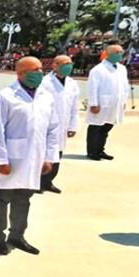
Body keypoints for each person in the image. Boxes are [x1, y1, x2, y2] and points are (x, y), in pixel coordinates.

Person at [0, 57, 60, 255]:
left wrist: (49, 157)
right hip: (11, 158)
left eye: (40, 69)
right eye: (33, 70)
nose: (39, 73)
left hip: (35, 158)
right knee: (2, 198)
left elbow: (53, 128)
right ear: (20, 73)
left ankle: (17, 236)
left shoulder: (46, 96)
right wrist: (2, 160)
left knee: (24, 199)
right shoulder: (5, 96)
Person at [40, 55, 80, 194]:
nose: (68, 66)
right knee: (43, 154)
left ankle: (47, 182)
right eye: (64, 63)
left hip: (63, 125)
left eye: (70, 63)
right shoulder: (45, 82)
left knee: (57, 154)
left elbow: (74, 107)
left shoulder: (72, 84)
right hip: (47, 124)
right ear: (54, 65)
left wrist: (73, 126)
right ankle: (37, 182)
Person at [85, 44, 129, 160]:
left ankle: (100, 150)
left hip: (115, 103)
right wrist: (94, 103)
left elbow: (125, 86)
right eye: (117, 52)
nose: (120, 54)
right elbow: (92, 88)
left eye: (121, 52)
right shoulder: (98, 70)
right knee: (96, 127)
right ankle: (92, 151)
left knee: (107, 127)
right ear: (108, 54)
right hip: (101, 103)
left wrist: (124, 101)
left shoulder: (122, 68)